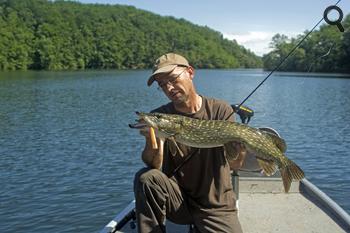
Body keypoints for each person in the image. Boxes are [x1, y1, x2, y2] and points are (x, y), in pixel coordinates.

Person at [134, 53, 246, 233]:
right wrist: (151, 139)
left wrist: (240, 149)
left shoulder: (220, 110)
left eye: (172, 79)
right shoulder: (161, 116)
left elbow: (235, 164)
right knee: (146, 178)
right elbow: (154, 165)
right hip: (179, 202)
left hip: (216, 205)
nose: (169, 88)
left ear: (190, 72)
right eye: (162, 85)